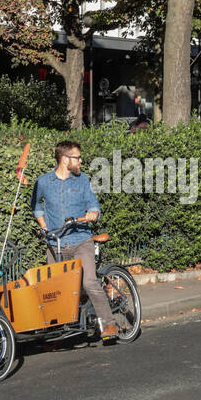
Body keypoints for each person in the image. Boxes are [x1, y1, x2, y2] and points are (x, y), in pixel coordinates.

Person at [31, 140, 119, 341]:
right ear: (64, 159)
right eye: (77, 157)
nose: (81, 161)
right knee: (55, 289)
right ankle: (60, 329)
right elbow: (36, 205)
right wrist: (44, 227)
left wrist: (93, 213)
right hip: (55, 244)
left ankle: (109, 325)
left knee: (89, 282)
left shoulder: (82, 180)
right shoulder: (43, 182)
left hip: (81, 240)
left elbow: (93, 204)